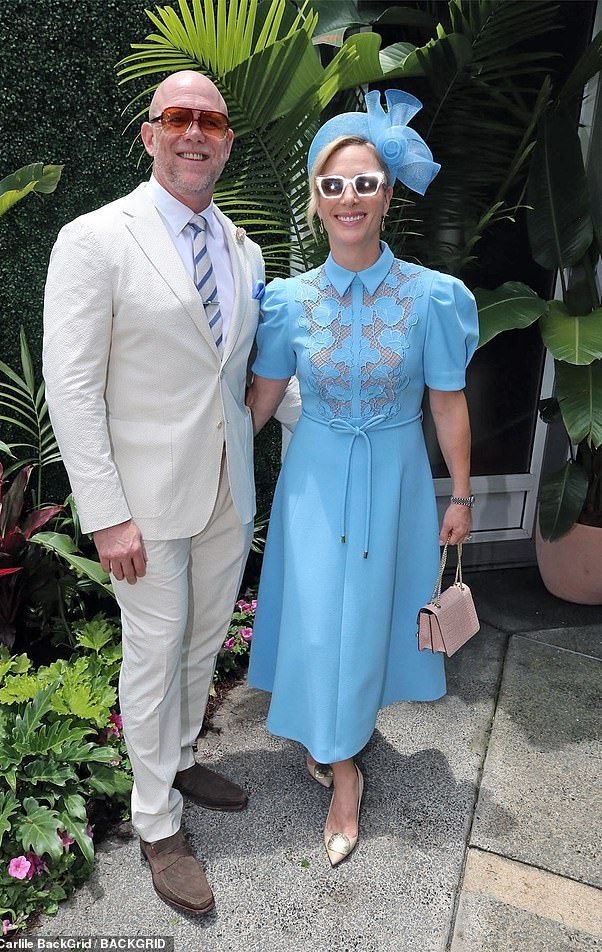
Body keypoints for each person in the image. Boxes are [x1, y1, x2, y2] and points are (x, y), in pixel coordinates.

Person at [43, 71, 266, 916]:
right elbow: (72, 386)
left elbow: (238, 373)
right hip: (141, 505)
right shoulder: (96, 238)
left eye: (210, 120)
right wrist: (105, 513)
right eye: (179, 117)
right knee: (153, 651)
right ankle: (155, 822)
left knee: (203, 642)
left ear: (227, 141)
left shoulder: (242, 250)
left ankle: (175, 758)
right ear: (150, 134)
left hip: (224, 493)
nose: (195, 132)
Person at [246, 89, 479, 867]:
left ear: (387, 195)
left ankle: (343, 744)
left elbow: (448, 403)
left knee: (366, 616)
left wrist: (463, 493)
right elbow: (265, 396)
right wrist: (208, 462)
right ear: (315, 201)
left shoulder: (431, 298)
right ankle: (343, 767)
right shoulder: (286, 301)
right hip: (314, 480)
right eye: (333, 184)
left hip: (398, 481)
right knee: (322, 614)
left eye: (365, 182)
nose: (349, 198)